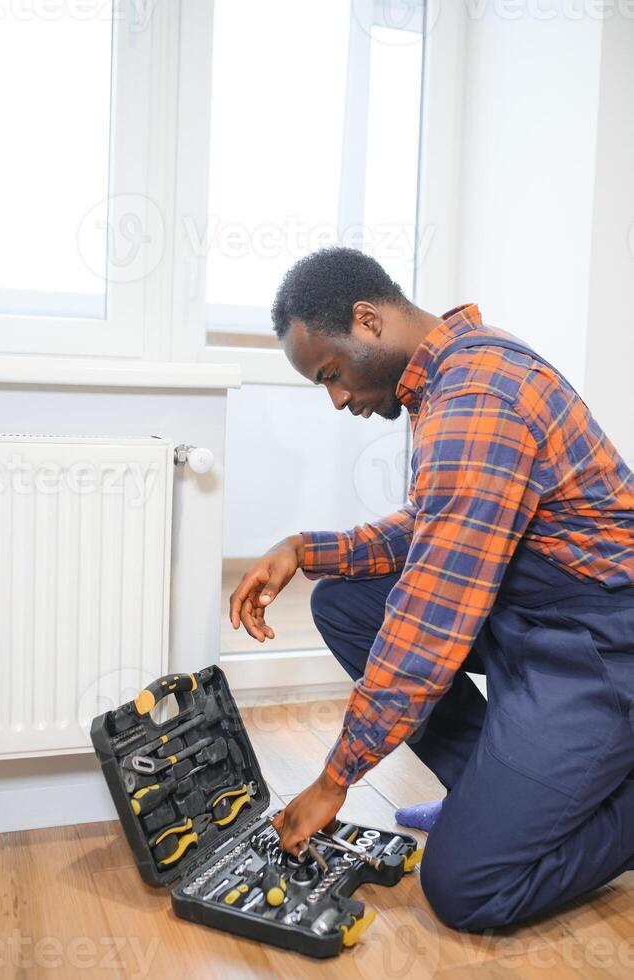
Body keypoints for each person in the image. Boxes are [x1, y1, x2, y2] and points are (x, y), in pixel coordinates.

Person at [229, 247, 634, 931]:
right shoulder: (450, 374)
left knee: (466, 889)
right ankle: (488, 792)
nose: (337, 399)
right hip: (534, 621)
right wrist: (305, 550)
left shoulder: (478, 400)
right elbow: (433, 528)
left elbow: (430, 622)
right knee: (343, 603)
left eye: (333, 373)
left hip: (600, 650)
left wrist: (336, 779)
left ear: (368, 320)